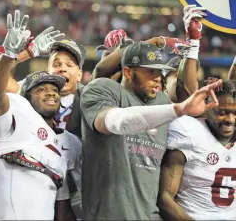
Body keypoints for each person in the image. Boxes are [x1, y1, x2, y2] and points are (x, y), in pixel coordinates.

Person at [80, 41, 223, 220]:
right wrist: (178, 109)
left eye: (159, 71)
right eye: (150, 71)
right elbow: (113, 122)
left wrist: (194, 43)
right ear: (128, 72)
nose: (157, 77)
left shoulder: (162, 102)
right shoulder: (103, 90)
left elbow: (184, 93)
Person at [0, 11, 77, 220]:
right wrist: (11, 54)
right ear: (26, 97)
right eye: (41, 90)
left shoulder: (70, 142)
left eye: (54, 90)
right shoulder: (16, 115)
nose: (51, 92)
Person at [158, 80, 236, 220]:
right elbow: (164, 199)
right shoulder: (188, 131)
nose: (230, 119)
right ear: (208, 108)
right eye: (222, 112)